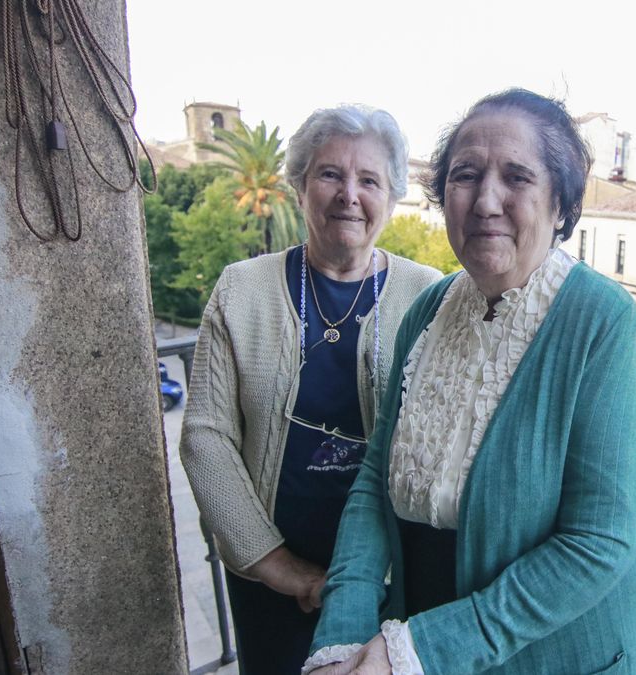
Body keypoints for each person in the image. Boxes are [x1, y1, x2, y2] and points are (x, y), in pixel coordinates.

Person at [303, 89, 636, 674]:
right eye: (465, 176)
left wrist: (419, 650)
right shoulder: (430, 309)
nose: (486, 200)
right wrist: (344, 629)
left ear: (561, 206)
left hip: (547, 656)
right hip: (418, 637)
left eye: (517, 177)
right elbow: (374, 475)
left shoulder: (600, 319)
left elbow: (600, 542)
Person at [180, 104, 441, 674]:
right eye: (330, 174)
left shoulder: (430, 297)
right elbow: (206, 437)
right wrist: (276, 565)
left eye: (369, 179)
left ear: (391, 197)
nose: (350, 193)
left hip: (388, 582)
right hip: (267, 577)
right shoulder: (241, 290)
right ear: (300, 186)